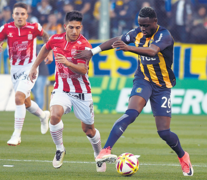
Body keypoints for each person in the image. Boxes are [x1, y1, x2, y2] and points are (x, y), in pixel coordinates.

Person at [74, 7, 194, 176]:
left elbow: (153, 51)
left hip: (162, 86)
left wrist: (129, 48)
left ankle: (183, 156)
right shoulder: (137, 32)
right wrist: (92, 52)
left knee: (164, 132)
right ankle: (106, 150)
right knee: (131, 113)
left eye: (146, 25)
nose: (142, 29)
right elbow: (117, 39)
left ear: (155, 22)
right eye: (140, 25)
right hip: (143, 80)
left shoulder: (164, 35)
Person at [29, 10, 106, 172]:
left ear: (81, 27)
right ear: (65, 27)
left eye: (78, 28)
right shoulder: (55, 39)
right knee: (55, 115)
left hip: (82, 93)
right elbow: (45, 48)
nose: (74, 31)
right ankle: (60, 149)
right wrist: (34, 66)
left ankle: (99, 154)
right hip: (61, 89)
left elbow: (83, 70)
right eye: (71, 27)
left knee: (89, 130)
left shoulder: (84, 45)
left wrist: (67, 63)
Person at [0, 2, 53, 146]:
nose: (19, 16)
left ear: (26, 16)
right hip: (15, 69)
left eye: (22, 14)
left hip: (31, 67)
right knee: (26, 102)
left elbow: (47, 36)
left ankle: (16, 135)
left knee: (18, 97)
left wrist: (49, 52)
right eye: (17, 14)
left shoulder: (34, 28)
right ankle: (43, 116)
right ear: (13, 15)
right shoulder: (6, 28)